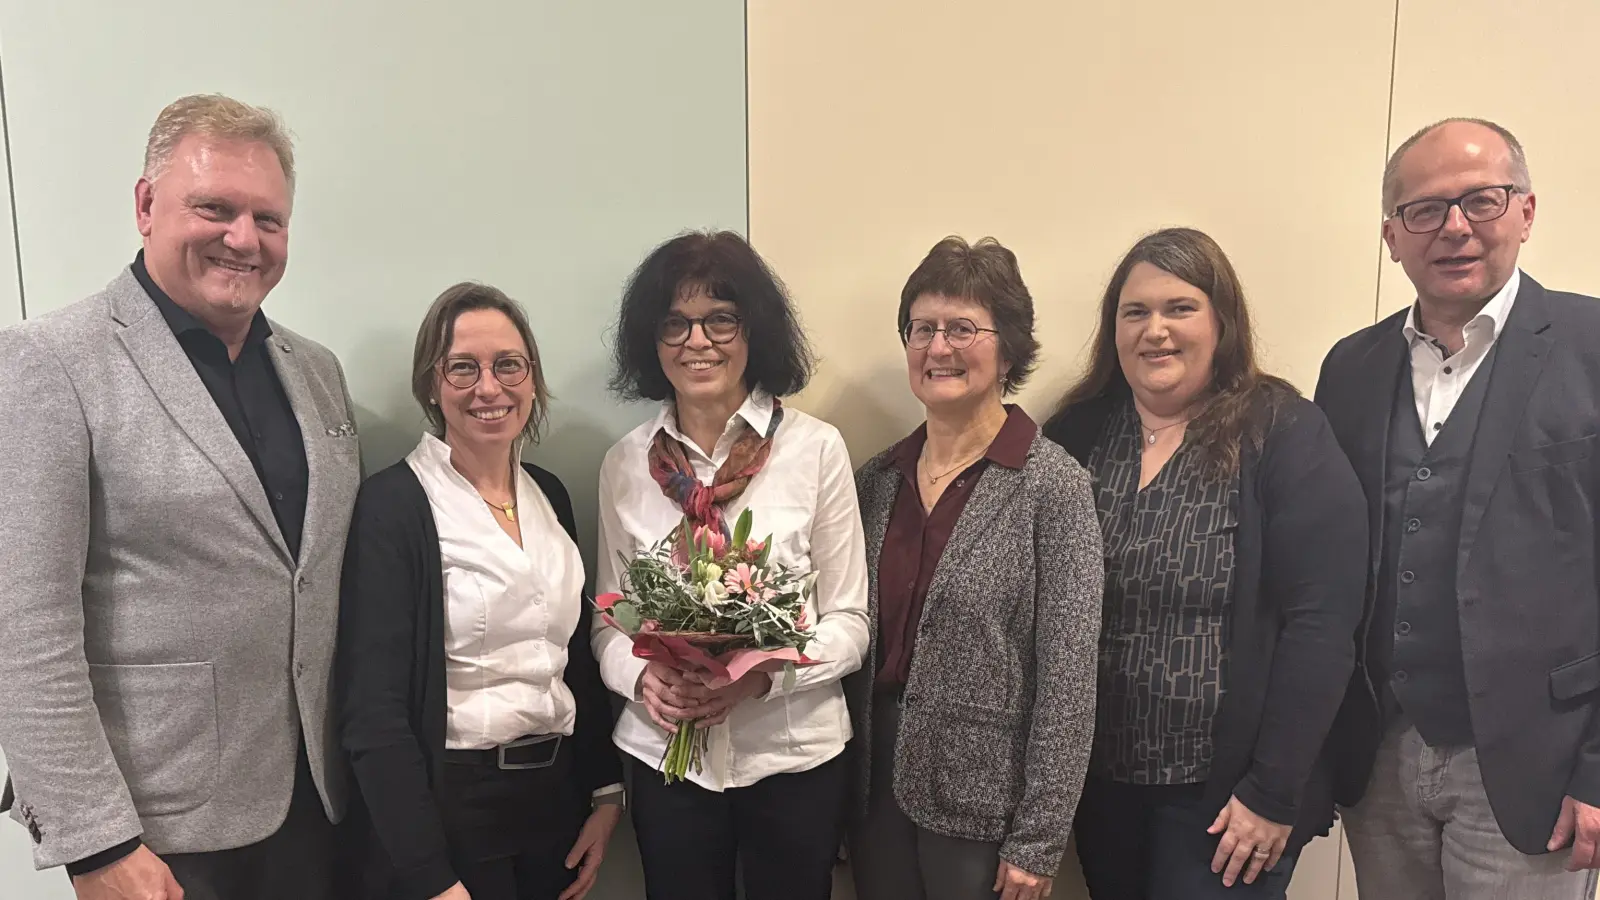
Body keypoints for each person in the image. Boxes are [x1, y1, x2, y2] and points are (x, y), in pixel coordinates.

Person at [0, 94, 360, 899]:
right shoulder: (48, 363)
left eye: (268, 218)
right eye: (216, 208)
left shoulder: (317, 372)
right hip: (158, 833)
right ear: (145, 206)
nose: (244, 238)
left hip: (318, 804)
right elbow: (23, 629)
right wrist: (96, 846)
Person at [1316, 117, 1600, 899]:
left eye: (1481, 200)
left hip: (1534, 760)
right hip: (1379, 755)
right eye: (1425, 210)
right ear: (1391, 236)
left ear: (1526, 212)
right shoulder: (1349, 369)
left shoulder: (1592, 345)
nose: (1454, 228)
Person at [1044, 227, 1367, 899]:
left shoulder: (1282, 432)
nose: (1155, 330)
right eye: (1135, 312)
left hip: (1228, 802)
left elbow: (1323, 625)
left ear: (1222, 320)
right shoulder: (1076, 433)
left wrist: (1274, 792)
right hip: (1102, 786)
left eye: (1179, 308)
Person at [593, 230, 869, 900]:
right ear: (650, 341)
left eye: (721, 319)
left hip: (793, 754)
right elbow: (607, 623)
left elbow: (851, 624)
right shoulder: (626, 463)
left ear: (755, 331)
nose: (698, 341)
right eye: (675, 323)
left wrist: (760, 679)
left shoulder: (816, 451)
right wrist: (643, 680)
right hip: (667, 761)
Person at [337, 283, 623, 900]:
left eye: (508, 365)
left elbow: (573, 655)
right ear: (432, 385)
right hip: (451, 814)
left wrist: (604, 794)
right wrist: (427, 874)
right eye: (462, 367)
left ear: (532, 378)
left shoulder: (550, 496)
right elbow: (373, 711)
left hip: (555, 804)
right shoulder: (396, 507)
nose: (488, 387)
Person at [844, 236, 1103, 900]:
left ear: (1008, 346)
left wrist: (1039, 839)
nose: (938, 348)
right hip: (874, 794)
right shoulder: (877, 480)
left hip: (986, 807)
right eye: (921, 329)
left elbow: (1069, 682)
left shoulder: (1054, 487)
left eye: (962, 328)